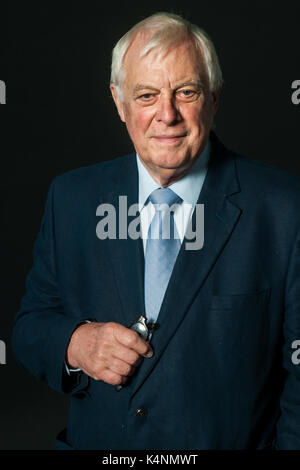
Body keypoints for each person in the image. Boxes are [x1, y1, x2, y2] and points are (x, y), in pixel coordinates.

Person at [12, 12, 300, 450]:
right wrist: (77, 343)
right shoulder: (70, 199)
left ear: (214, 98)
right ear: (118, 102)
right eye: (146, 95)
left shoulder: (283, 209)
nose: (167, 115)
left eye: (186, 92)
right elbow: (31, 326)